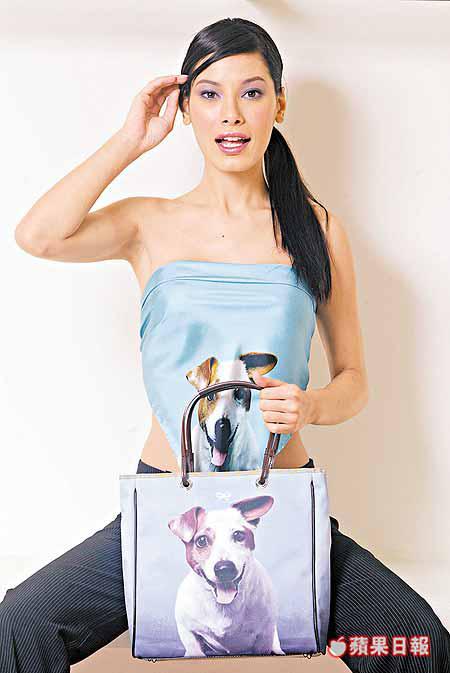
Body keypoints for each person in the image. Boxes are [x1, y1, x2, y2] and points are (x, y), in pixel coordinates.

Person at [4, 16, 449, 672]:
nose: (231, 114)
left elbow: (354, 378)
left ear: (279, 104)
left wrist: (311, 405)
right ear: (185, 108)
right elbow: (37, 235)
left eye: (252, 92)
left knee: (417, 639)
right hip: (167, 505)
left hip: (281, 507)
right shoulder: (149, 223)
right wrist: (131, 140)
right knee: (20, 623)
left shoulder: (317, 229)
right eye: (210, 94)